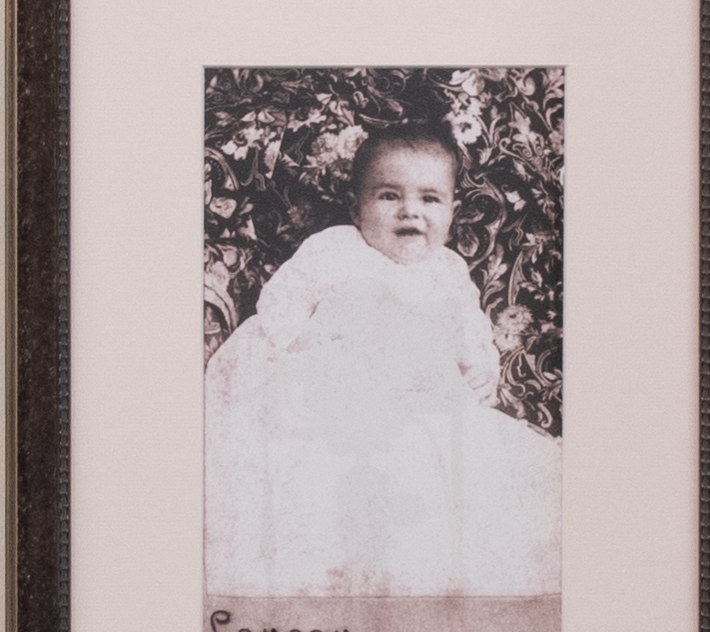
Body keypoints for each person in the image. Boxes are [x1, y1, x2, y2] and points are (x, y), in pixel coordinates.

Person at [205, 122, 561, 598]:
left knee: (455, 479)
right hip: (331, 396)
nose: (410, 210)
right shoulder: (335, 249)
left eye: (430, 199)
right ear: (357, 207)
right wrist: (305, 342)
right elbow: (280, 303)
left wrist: (480, 368)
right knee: (308, 480)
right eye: (389, 196)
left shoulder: (449, 273)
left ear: (453, 212)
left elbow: (472, 332)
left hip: (424, 404)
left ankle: (420, 569)